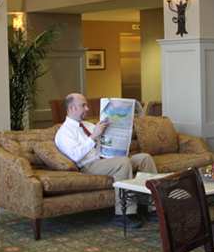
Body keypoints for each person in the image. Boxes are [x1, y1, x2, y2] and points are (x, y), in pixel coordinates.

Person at [54, 93, 158, 229]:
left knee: (145, 158)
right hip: (89, 165)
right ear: (72, 108)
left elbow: (107, 142)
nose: (87, 109)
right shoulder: (64, 132)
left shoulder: (89, 125)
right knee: (123, 163)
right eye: (83, 105)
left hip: (108, 159)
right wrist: (93, 136)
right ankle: (124, 214)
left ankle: (153, 207)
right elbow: (75, 156)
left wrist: (122, 129)